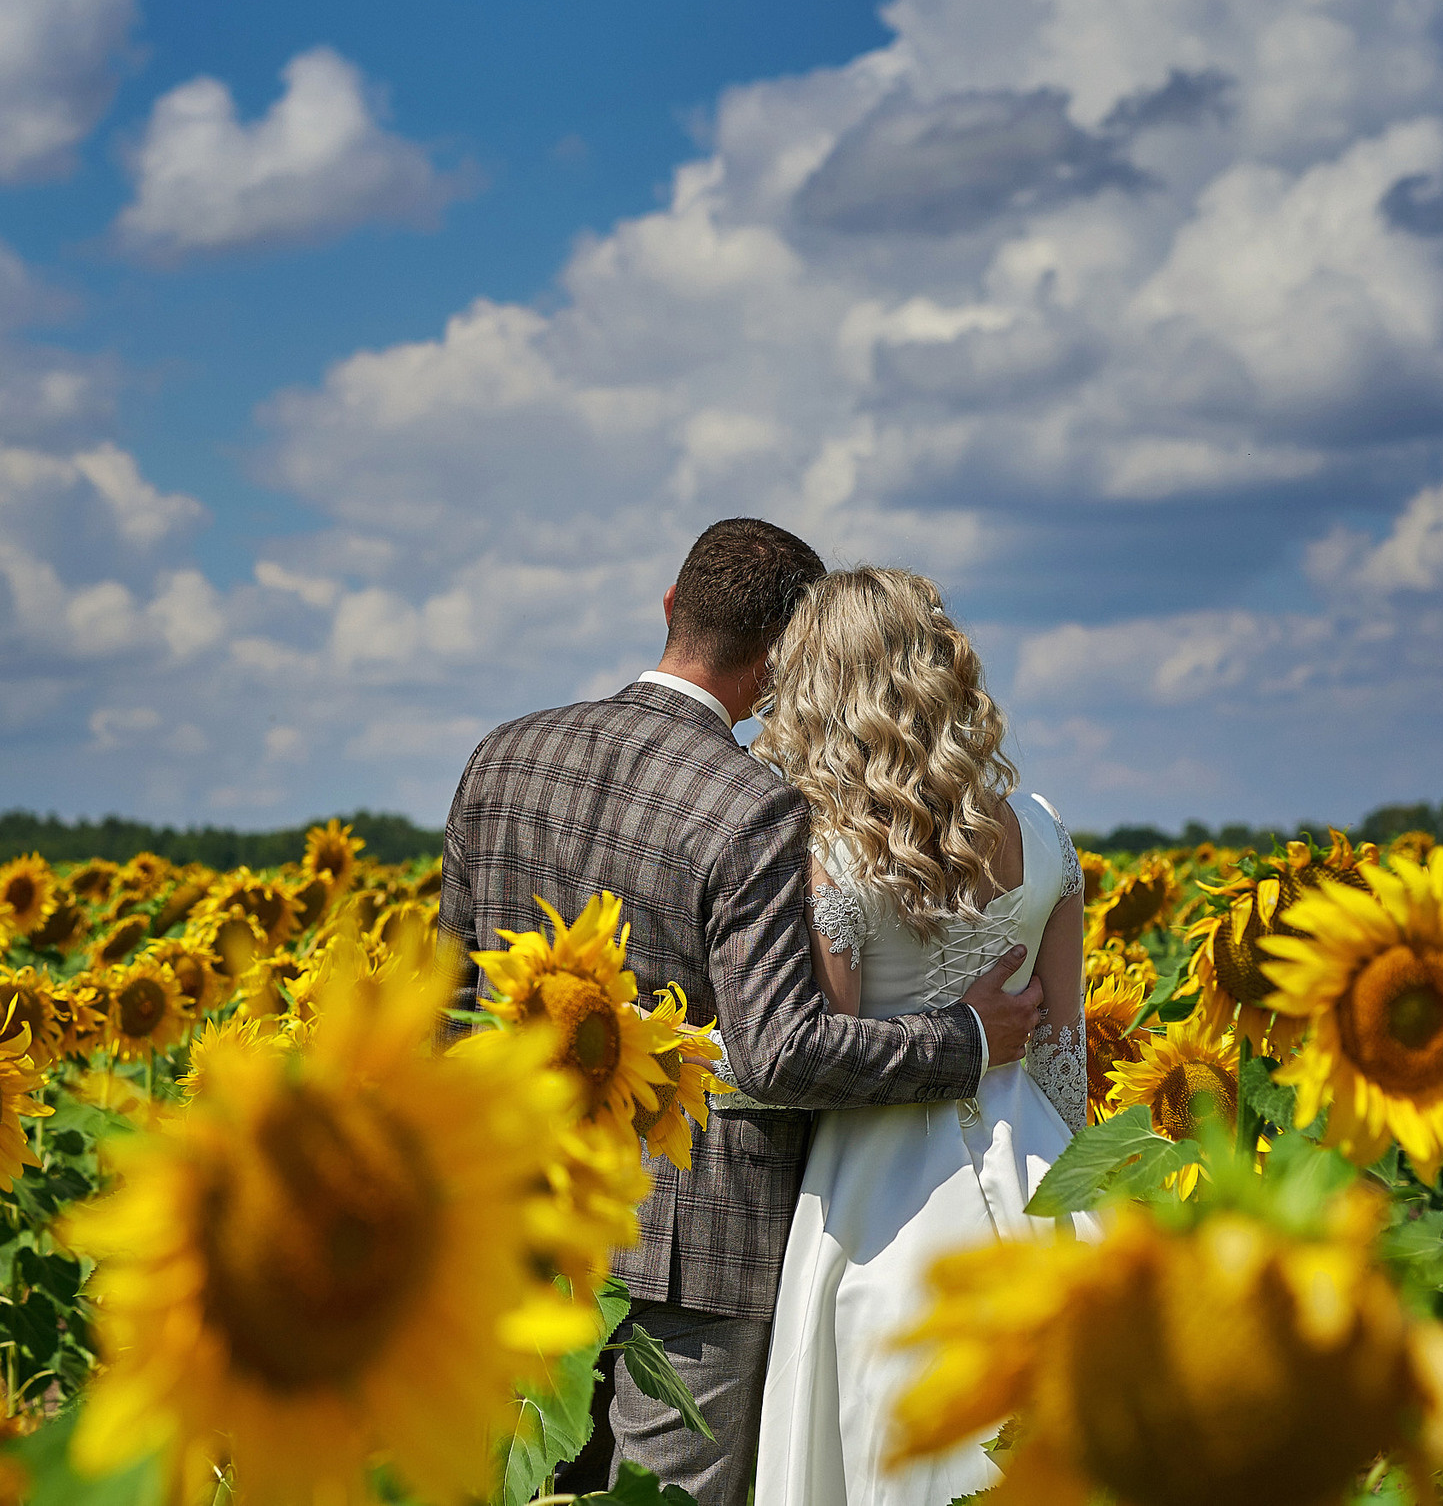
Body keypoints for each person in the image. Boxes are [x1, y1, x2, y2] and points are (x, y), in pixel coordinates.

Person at [441, 519, 1046, 1505]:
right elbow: (778, 1052)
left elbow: (445, 1011)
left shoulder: (501, 757)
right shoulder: (752, 803)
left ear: (671, 607)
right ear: (780, 662)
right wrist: (968, 1036)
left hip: (516, 1222)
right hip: (697, 1247)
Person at [748, 567, 1088, 1506]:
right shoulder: (1044, 831)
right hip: (1046, 1177)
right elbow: (1065, 1055)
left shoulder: (832, 854)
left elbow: (827, 1057)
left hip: (876, 1204)